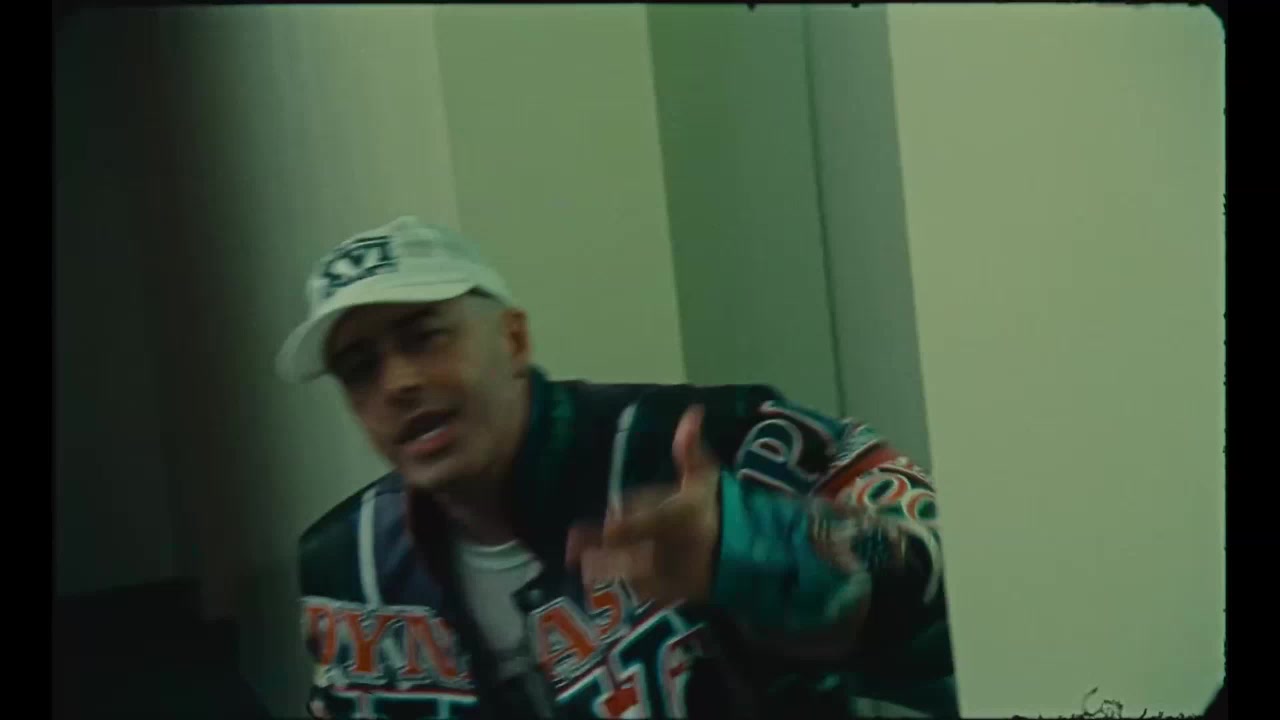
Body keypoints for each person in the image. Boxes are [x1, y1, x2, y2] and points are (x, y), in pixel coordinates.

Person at [277, 216, 957, 719]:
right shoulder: (349, 571)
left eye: (426, 338)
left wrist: (772, 551)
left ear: (513, 339)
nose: (398, 383)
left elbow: (959, 584)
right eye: (359, 369)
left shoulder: (711, 443)